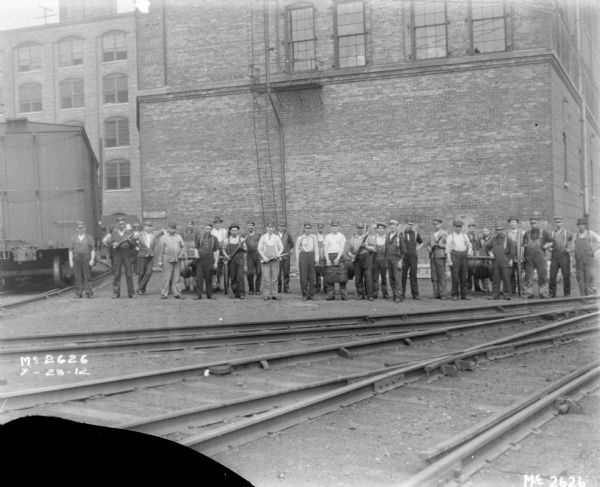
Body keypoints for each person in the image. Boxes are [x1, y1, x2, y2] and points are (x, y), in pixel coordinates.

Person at [102, 216, 136, 299]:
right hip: (117, 256)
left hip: (127, 255)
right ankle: (116, 293)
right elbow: (106, 243)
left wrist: (129, 241)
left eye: (123, 224)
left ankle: (131, 293)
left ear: (125, 224)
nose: (121, 225)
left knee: (129, 274)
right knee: (117, 274)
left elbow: (133, 245)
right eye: (120, 224)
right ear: (117, 225)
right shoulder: (113, 234)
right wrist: (112, 244)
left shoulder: (129, 233)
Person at [522, 216, 551, 298]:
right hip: (529, 258)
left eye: (535, 223)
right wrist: (524, 256)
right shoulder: (527, 233)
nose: (533, 225)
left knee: (542, 275)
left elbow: (552, 242)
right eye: (532, 223)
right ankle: (529, 293)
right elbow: (523, 245)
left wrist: (546, 246)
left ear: (538, 223)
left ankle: (543, 292)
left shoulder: (544, 233)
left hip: (540, 258)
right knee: (529, 276)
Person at [486, 224, 515, 300]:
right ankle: (495, 295)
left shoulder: (508, 239)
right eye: (498, 230)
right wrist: (490, 253)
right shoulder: (493, 239)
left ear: (503, 230)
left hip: (505, 261)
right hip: (495, 262)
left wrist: (511, 260)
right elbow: (487, 247)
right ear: (496, 231)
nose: (499, 231)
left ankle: (507, 295)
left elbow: (512, 251)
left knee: (506, 279)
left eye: (501, 230)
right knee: (495, 279)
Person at [446, 220, 473, 300]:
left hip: (463, 257)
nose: (458, 228)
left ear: (461, 228)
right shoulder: (451, 236)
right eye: (456, 227)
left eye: (459, 227)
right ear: (454, 227)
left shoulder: (464, 236)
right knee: (455, 278)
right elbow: (447, 250)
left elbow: (470, 245)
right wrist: (449, 261)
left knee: (464, 277)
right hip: (454, 256)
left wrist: (469, 252)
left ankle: (464, 295)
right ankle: (454, 294)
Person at [348, 223, 376, 301]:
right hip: (357, 260)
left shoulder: (368, 237)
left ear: (363, 229)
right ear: (356, 229)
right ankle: (360, 294)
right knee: (358, 278)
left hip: (367, 258)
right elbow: (349, 251)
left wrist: (366, 246)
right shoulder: (353, 238)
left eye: (361, 228)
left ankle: (370, 295)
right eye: (358, 228)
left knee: (368, 277)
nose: (360, 230)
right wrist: (352, 256)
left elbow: (374, 248)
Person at [547, 216, 573, 298]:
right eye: (556, 222)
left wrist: (569, 249)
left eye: (559, 222)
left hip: (564, 256)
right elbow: (547, 244)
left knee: (566, 276)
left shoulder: (567, 233)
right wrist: (549, 248)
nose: (558, 223)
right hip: (554, 256)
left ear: (562, 223)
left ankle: (567, 293)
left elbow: (573, 243)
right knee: (552, 275)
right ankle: (552, 293)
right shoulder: (551, 233)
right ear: (554, 223)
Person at [158, 222, 185, 299]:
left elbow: (183, 247)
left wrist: (181, 254)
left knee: (176, 278)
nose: (172, 230)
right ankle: (164, 293)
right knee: (166, 278)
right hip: (167, 260)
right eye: (171, 228)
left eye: (174, 228)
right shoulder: (163, 238)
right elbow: (160, 250)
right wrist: (160, 261)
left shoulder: (179, 237)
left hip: (177, 260)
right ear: (168, 228)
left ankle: (177, 293)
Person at [573, 217, 600, 296]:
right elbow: (574, 248)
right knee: (580, 279)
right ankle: (583, 298)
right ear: (578, 226)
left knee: (589, 278)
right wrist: (573, 260)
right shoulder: (575, 235)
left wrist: (593, 250)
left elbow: (599, 241)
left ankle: (590, 298)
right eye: (579, 225)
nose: (581, 226)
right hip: (579, 261)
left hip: (588, 260)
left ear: (585, 225)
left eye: (582, 225)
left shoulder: (590, 234)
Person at [69, 221, 96, 298]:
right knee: (77, 276)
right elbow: (70, 250)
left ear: (85, 228)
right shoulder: (73, 238)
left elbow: (93, 249)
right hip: (76, 259)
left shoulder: (89, 237)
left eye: (82, 228)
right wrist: (71, 261)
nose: (81, 229)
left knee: (87, 276)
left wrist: (92, 259)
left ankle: (89, 292)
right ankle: (78, 293)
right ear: (77, 229)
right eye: (79, 228)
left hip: (86, 258)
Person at [257, 223, 284, 300]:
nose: (271, 229)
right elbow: (259, 249)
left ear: (274, 229)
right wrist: (264, 257)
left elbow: (281, 248)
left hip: (275, 261)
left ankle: (274, 294)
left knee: (275, 278)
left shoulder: (276, 237)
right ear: (266, 228)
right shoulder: (263, 237)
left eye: (272, 227)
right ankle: (266, 294)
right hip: (265, 261)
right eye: (269, 227)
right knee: (266, 278)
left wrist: (278, 254)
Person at [194, 223, 219, 300]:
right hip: (200, 261)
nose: (208, 230)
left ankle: (209, 295)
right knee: (199, 278)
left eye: (209, 229)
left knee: (209, 278)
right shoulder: (200, 237)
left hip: (210, 261)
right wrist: (196, 254)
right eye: (207, 229)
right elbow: (196, 248)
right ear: (205, 229)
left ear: (212, 230)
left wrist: (215, 262)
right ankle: (199, 295)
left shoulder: (214, 238)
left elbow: (216, 251)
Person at [324, 220, 348, 300]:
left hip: (339, 257)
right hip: (330, 257)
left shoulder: (342, 236)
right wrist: (327, 259)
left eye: (336, 226)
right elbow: (325, 249)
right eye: (333, 226)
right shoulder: (327, 237)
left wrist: (338, 258)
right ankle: (331, 295)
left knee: (342, 277)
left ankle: (344, 295)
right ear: (331, 227)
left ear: (338, 227)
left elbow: (342, 248)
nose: (334, 228)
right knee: (330, 277)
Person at [295, 223, 319, 300]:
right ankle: (305, 294)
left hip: (311, 256)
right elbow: (296, 250)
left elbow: (316, 248)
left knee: (312, 277)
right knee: (303, 277)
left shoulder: (314, 237)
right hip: (303, 257)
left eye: (309, 228)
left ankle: (312, 294)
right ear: (304, 229)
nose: (307, 230)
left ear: (311, 229)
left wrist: (316, 259)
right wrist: (298, 259)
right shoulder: (300, 238)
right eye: (306, 228)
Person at [223, 224, 247, 299]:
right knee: (233, 277)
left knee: (240, 277)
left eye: (235, 230)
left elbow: (246, 250)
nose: (234, 232)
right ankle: (234, 292)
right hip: (231, 261)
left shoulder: (242, 240)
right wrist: (226, 256)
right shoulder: (227, 240)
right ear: (230, 231)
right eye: (233, 230)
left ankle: (241, 293)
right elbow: (223, 249)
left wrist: (242, 247)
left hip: (240, 261)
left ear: (238, 231)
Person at [386, 219, 407, 303]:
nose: (392, 226)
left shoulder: (400, 237)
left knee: (397, 278)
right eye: (391, 224)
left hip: (396, 260)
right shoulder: (388, 236)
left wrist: (400, 261)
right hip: (389, 260)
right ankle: (394, 295)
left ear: (397, 226)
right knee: (391, 279)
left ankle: (399, 296)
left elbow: (404, 251)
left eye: (394, 224)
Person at [401, 220, 424, 300]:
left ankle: (415, 294)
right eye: (408, 225)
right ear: (405, 225)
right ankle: (402, 294)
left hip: (413, 257)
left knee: (413, 275)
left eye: (411, 225)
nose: (409, 226)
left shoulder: (415, 233)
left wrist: (417, 249)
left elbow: (421, 243)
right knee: (403, 275)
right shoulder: (401, 234)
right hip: (404, 257)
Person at [136, 221, 160, 295]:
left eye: (149, 226)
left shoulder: (154, 235)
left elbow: (163, 231)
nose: (148, 228)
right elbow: (132, 239)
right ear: (144, 227)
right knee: (141, 273)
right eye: (146, 226)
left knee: (149, 273)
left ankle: (139, 287)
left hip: (150, 256)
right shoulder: (140, 234)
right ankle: (142, 289)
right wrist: (135, 247)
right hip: (141, 256)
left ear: (151, 227)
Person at [429, 218, 448, 299]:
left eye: (437, 224)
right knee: (434, 276)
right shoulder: (432, 234)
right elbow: (428, 244)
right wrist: (428, 248)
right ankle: (435, 294)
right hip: (433, 256)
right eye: (434, 224)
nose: (435, 225)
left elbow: (449, 245)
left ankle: (443, 294)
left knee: (441, 276)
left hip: (440, 256)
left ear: (441, 224)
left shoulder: (444, 233)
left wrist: (441, 246)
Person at [506, 217, 524, 295]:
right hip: (510, 257)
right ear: (509, 224)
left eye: (514, 222)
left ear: (517, 223)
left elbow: (523, 245)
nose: (513, 224)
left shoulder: (521, 233)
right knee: (511, 273)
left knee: (520, 273)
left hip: (519, 255)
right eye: (511, 222)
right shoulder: (507, 233)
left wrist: (523, 255)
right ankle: (512, 290)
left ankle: (522, 289)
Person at [244, 221, 262, 295]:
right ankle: (251, 289)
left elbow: (262, 244)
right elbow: (241, 243)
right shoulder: (245, 235)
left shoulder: (259, 235)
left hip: (257, 254)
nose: (250, 227)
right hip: (249, 255)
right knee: (250, 273)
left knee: (259, 272)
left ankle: (257, 289)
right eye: (249, 225)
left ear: (254, 227)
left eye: (252, 225)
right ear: (247, 226)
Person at [211, 217, 228, 293]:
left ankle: (220, 284)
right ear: (214, 224)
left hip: (221, 250)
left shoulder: (224, 231)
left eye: (219, 223)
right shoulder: (212, 231)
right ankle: (214, 284)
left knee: (221, 268)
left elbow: (225, 241)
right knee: (214, 268)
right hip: (214, 251)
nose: (218, 224)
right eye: (216, 223)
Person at [372, 222, 389, 299]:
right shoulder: (374, 238)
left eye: (382, 229)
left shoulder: (387, 238)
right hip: (375, 260)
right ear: (377, 230)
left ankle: (385, 293)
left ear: (384, 230)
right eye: (379, 228)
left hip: (383, 260)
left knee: (384, 277)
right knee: (375, 277)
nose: (381, 230)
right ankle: (375, 293)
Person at [277, 222, 295, 293]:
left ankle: (286, 288)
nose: (281, 227)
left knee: (286, 273)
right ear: (278, 227)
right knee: (278, 274)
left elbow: (292, 244)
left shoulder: (288, 234)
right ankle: (278, 288)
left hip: (286, 256)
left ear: (284, 227)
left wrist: (287, 250)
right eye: (280, 226)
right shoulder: (275, 235)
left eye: (283, 226)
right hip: (278, 257)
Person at [181, 221, 198, 292]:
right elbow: (181, 242)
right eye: (188, 224)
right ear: (186, 225)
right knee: (186, 269)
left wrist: (195, 252)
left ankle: (195, 286)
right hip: (185, 251)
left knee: (194, 269)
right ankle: (187, 286)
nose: (189, 225)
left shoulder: (196, 233)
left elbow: (197, 243)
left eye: (191, 224)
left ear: (193, 225)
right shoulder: (183, 233)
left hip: (193, 251)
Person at [466, 223, 481, 292]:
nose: (472, 229)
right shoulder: (465, 235)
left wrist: (478, 254)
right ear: (468, 228)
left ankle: (477, 287)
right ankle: (469, 287)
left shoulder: (477, 236)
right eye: (471, 228)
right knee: (469, 270)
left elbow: (478, 246)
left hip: (476, 255)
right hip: (469, 255)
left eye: (473, 228)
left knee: (476, 270)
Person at [315, 223, 328, 294]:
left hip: (324, 258)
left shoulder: (326, 237)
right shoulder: (315, 237)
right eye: (319, 228)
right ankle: (317, 288)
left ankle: (326, 288)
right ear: (317, 229)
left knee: (326, 273)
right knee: (317, 274)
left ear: (323, 229)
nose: (320, 229)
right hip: (317, 258)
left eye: (321, 228)